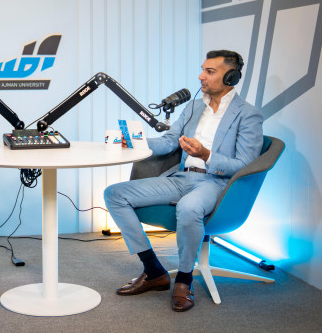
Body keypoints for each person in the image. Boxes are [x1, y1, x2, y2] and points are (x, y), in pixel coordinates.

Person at [104, 50, 263, 312]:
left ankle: (184, 280)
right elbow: (169, 142)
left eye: (209, 71)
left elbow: (245, 164)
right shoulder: (194, 107)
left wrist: (206, 155)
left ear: (231, 77)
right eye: (202, 69)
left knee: (189, 208)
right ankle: (153, 270)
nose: (201, 76)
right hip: (180, 178)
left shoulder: (248, 114)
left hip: (215, 182)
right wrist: (133, 143)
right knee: (115, 194)